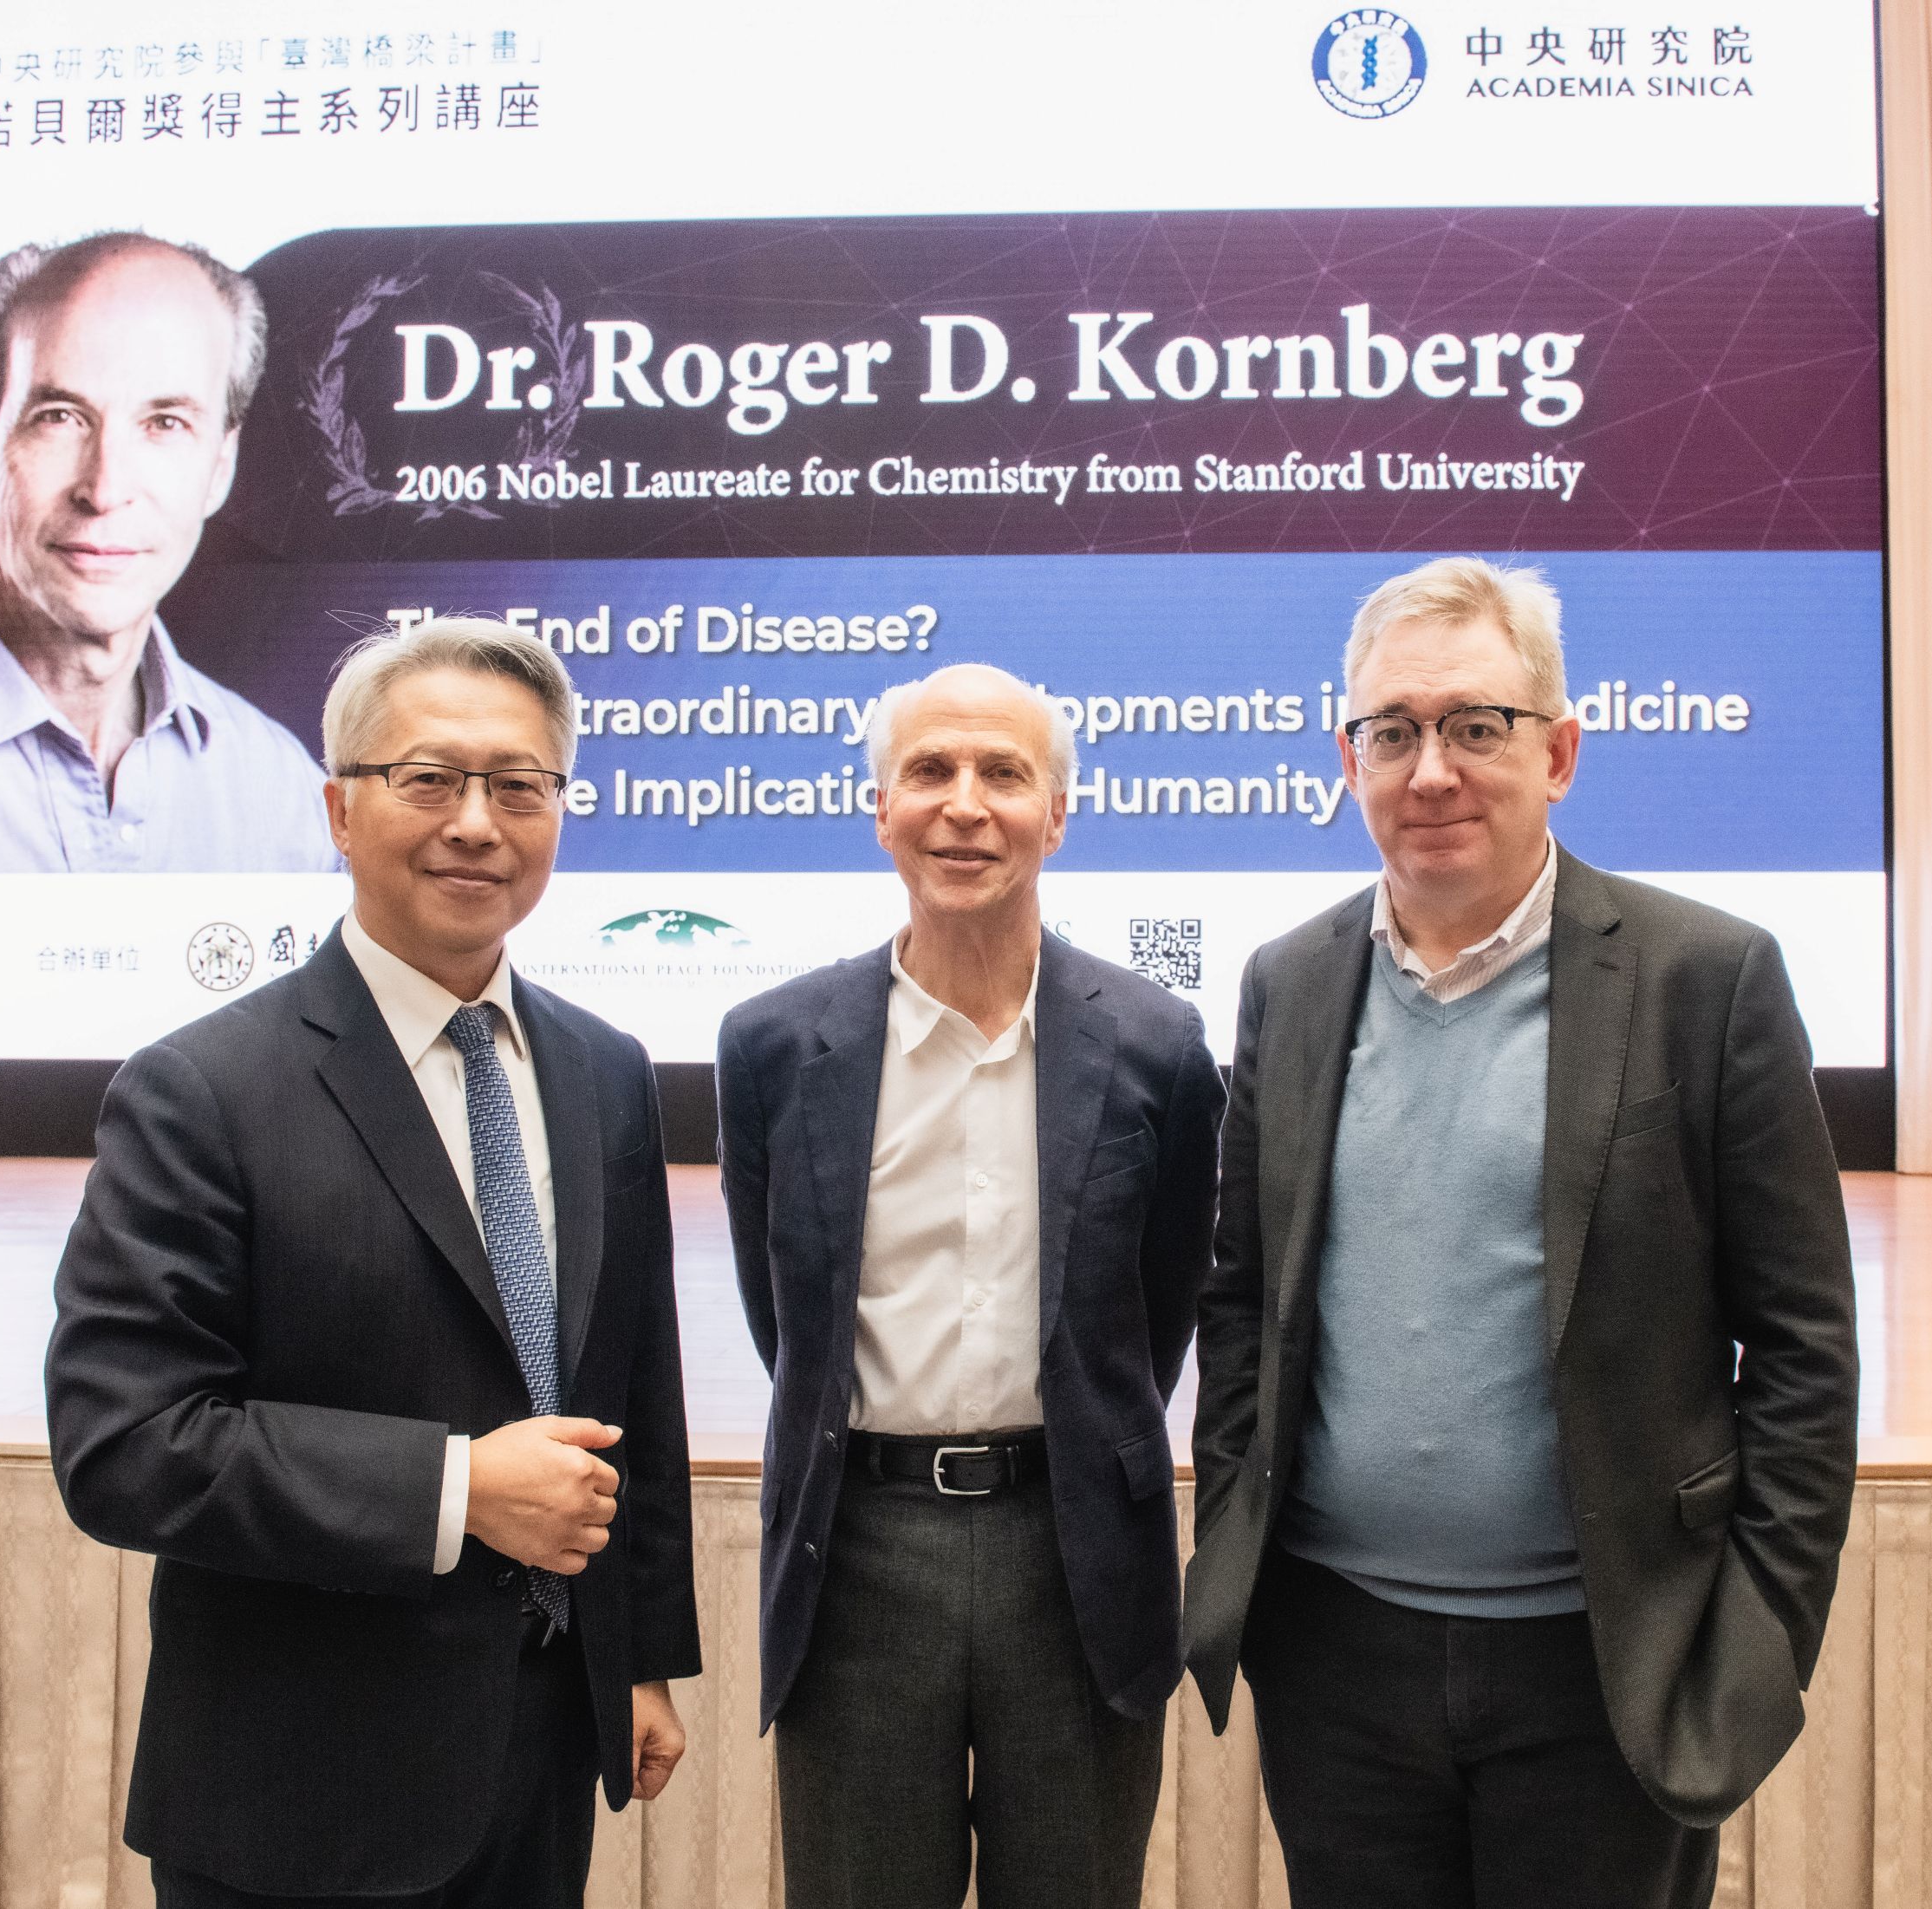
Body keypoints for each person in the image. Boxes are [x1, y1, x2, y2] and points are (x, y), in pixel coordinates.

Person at [1181, 558, 1858, 1909]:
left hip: (1605, 1664)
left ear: (1558, 751)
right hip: (1338, 1663)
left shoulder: (1704, 977)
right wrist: (1244, 1565)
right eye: (1394, 731)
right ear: (1350, 757)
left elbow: (1802, 1347)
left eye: (1475, 725)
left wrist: (1754, 1637)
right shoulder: (1291, 982)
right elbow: (1245, 1295)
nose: (1431, 768)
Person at [45, 617, 694, 1907]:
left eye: (520, 785)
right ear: (340, 811)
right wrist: (455, 1487)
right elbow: (125, 1443)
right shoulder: (200, 1090)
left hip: (537, 1762)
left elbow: (634, 1387)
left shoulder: (603, 1071)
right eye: (431, 779)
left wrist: (635, 1654)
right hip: (299, 1791)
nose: (477, 821)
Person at [717, 662, 1226, 1909]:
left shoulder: (1158, 1047)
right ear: (879, 804)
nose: (965, 804)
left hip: (1079, 1558)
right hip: (862, 1551)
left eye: (1004, 773)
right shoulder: (776, 1046)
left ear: (1059, 813)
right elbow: (784, 1319)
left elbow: (1153, 1323)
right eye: (931, 772)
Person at [0, 231, 335, 872]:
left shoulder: (282, 798)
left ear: (220, 467)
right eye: (60, 417)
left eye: (165, 423)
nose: (105, 489)